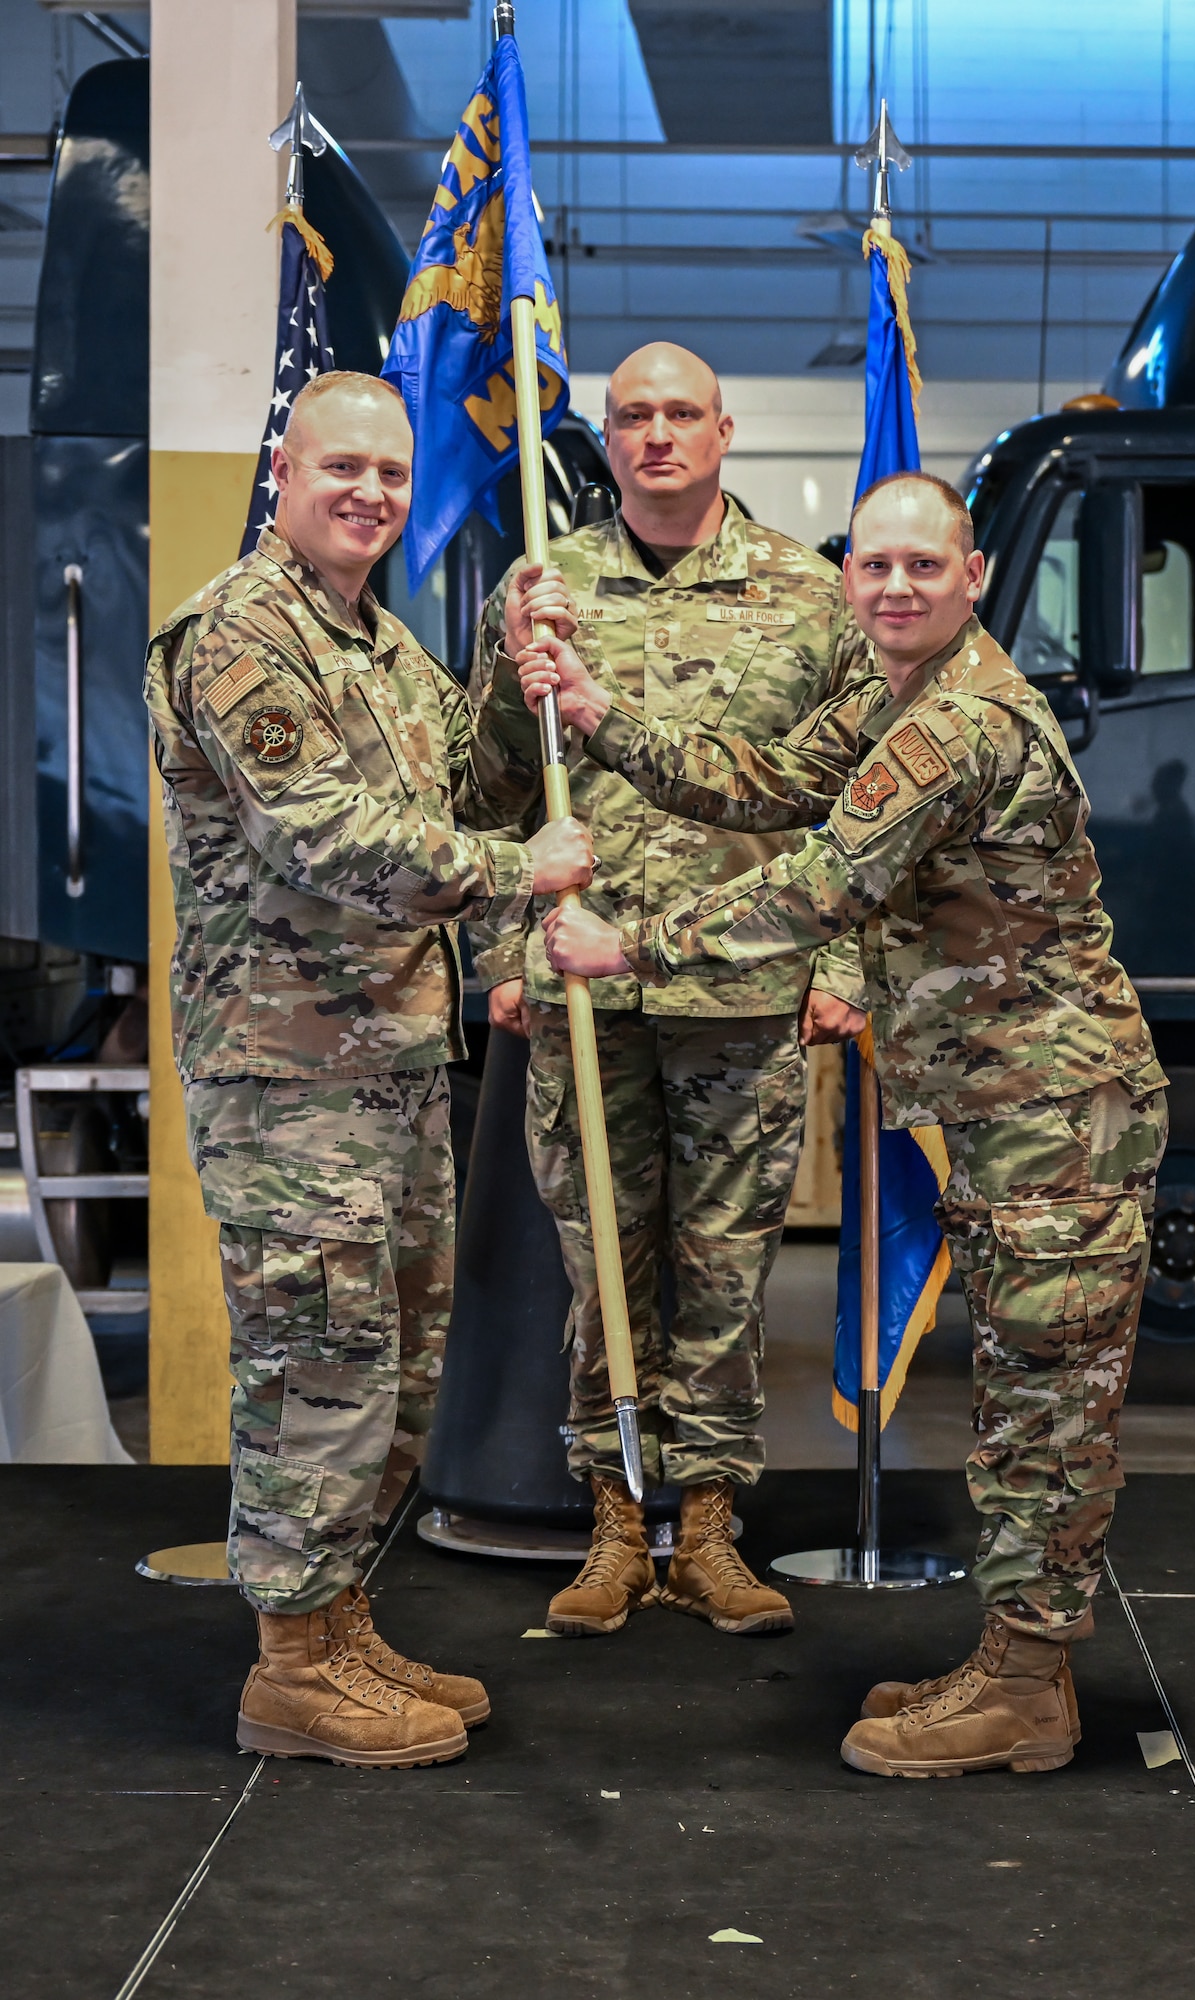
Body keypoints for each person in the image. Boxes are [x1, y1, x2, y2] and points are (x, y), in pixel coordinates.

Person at [518, 471, 1168, 1778]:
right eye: (871, 566)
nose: (893, 587)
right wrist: (601, 719)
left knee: (1043, 1411)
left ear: (971, 576)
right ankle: (1009, 1661)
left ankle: (1029, 1693)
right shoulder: (890, 695)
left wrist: (624, 944)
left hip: (1054, 1119)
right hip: (1002, 1113)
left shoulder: (962, 727)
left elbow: (815, 885)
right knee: (1017, 1405)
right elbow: (767, 780)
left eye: (921, 567)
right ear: (846, 576)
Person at [143, 370, 592, 1768]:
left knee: (385, 1363)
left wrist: (518, 685)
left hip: (392, 1066)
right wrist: (524, 872)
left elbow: (466, 790)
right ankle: (288, 1667)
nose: (373, 494)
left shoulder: (384, 650)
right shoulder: (237, 635)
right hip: (287, 1079)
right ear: (285, 469)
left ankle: (336, 1622)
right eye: (345, 467)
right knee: (314, 1359)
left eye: (392, 475)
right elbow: (323, 836)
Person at [470, 341, 871, 1640]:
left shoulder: (807, 597)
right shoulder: (546, 588)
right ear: (604, 437)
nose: (655, 436)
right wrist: (499, 953)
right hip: (582, 995)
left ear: (724, 428)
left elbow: (852, 799)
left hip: (741, 986)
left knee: (725, 1270)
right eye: (632, 416)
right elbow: (488, 791)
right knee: (601, 1266)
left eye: (679, 414)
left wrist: (847, 960)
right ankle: (610, 1523)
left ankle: (704, 1528)